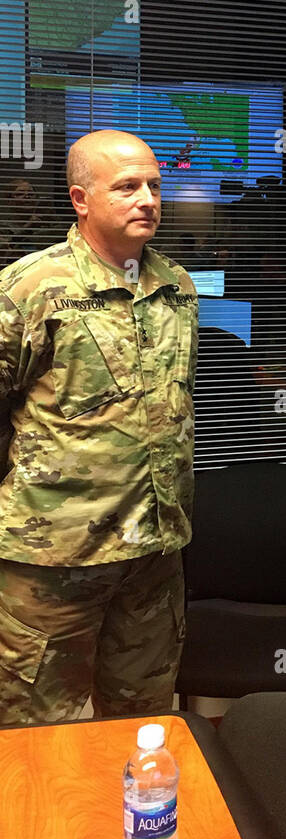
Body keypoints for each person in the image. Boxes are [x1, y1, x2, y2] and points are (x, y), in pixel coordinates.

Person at [0, 130, 198, 724]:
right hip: (54, 557)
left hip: (152, 555)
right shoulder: (30, 288)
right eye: (127, 187)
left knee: (141, 726)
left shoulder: (176, 288)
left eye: (154, 186)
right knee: (35, 734)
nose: (148, 199)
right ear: (81, 199)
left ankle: (133, 821)